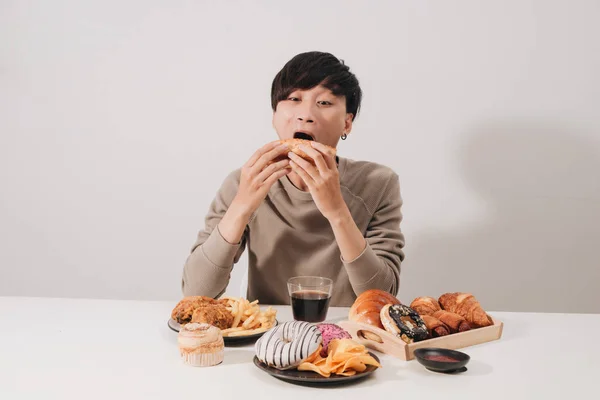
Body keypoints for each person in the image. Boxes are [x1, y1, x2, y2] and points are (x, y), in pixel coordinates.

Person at [181, 51, 405, 306]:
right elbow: (196, 292)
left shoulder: (378, 183)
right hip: (268, 335)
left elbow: (382, 296)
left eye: (324, 103)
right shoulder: (244, 182)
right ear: (275, 116)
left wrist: (337, 211)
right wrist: (242, 205)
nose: (305, 114)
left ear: (347, 123)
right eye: (294, 99)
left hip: (349, 336)